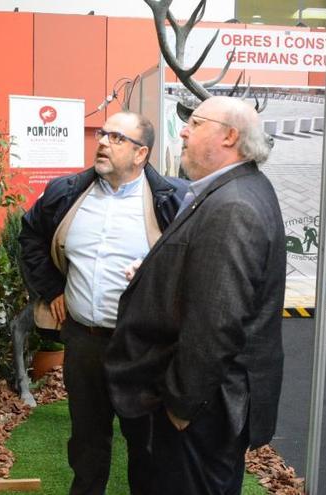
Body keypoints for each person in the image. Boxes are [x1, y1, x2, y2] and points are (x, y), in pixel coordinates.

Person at [104, 96, 285, 495]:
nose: (183, 131)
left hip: (201, 413)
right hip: (209, 405)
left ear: (230, 136)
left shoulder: (233, 206)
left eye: (196, 123)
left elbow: (217, 322)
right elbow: (212, 283)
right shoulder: (236, 188)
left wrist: (181, 407)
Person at [19, 111, 185, 495]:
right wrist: (52, 288)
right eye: (102, 133)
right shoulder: (67, 192)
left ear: (141, 153)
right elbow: (30, 236)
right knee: (87, 441)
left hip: (141, 347)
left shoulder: (171, 201)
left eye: (116, 137)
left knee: (145, 444)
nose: (103, 141)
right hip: (84, 340)